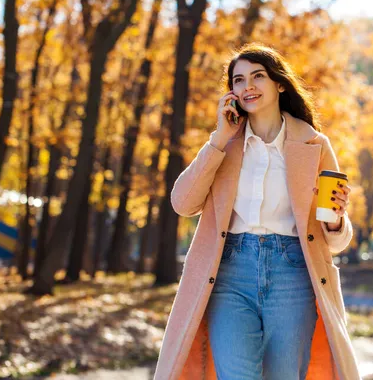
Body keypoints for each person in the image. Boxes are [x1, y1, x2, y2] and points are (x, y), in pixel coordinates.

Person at [153, 43, 361, 379]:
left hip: (293, 273)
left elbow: (334, 241)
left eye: (257, 76)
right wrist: (218, 140)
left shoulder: (314, 145)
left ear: (279, 83)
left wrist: (337, 219)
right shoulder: (225, 145)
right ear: (231, 92)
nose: (247, 86)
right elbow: (183, 203)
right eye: (238, 80)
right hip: (230, 274)